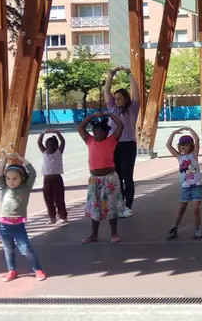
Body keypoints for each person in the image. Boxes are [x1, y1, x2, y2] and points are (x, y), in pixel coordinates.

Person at [0, 150, 47, 282]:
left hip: (17, 226)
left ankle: (38, 270)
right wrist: (4, 159)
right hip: (3, 226)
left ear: (22, 179)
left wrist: (21, 158)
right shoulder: (4, 188)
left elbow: (33, 173)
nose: (11, 181)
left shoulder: (25, 188)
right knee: (8, 250)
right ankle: (11, 270)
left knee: (25, 249)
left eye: (15, 178)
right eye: (8, 178)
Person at [77, 111, 125, 243]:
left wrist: (111, 115)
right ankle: (94, 234)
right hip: (94, 179)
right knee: (95, 206)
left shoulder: (112, 141)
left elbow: (121, 126)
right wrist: (91, 116)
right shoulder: (89, 141)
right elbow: (80, 127)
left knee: (111, 206)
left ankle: (114, 233)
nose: (96, 135)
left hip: (109, 178)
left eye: (100, 133)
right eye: (94, 132)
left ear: (106, 133)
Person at [104, 66, 141, 218]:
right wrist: (111, 74)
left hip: (128, 145)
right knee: (117, 177)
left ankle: (128, 206)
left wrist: (129, 73)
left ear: (126, 98)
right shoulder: (112, 108)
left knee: (127, 176)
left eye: (120, 98)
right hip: (114, 146)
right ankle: (119, 204)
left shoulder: (132, 108)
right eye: (116, 97)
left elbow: (136, 90)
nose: (117, 100)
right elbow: (106, 91)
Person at [165, 128, 202, 240]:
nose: (183, 147)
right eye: (181, 145)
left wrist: (189, 129)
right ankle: (174, 227)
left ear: (191, 146)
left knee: (196, 209)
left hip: (197, 185)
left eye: (186, 145)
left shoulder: (194, 155)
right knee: (181, 209)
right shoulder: (179, 157)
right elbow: (168, 145)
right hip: (186, 187)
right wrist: (173, 133)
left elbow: (197, 139)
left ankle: (197, 228)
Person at [37, 129, 67, 224]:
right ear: (46, 146)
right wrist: (43, 133)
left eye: (52, 146)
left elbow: (63, 141)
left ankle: (63, 216)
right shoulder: (44, 152)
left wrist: (57, 132)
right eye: (48, 146)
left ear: (56, 146)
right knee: (48, 199)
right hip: (47, 180)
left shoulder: (58, 152)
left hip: (56, 179)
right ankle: (52, 217)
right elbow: (39, 142)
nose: (50, 148)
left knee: (59, 199)